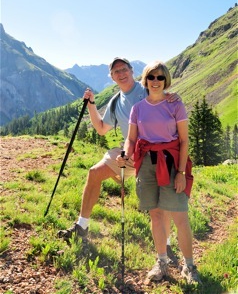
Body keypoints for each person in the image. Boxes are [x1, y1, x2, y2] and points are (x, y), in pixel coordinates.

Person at [58, 57, 180, 265]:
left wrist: (171, 96)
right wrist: (92, 105)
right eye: (116, 72)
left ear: (132, 71)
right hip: (129, 152)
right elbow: (102, 129)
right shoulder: (115, 101)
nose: (121, 73)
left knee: (159, 203)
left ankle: (166, 245)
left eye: (124, 69)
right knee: (94, 173)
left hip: (156, 154)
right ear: (112, 77)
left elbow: (164, 98)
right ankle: (82, 227)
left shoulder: (145, 90)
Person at [116, 60, 200, 284]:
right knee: (156, 214)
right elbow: (132, 138)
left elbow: (184, 140)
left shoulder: (175, 105)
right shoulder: (138, 108)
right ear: (145, 80)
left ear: (166, 80)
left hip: (171, 165)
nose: (155, 81)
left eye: (160, 77)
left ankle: (189, 266)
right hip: (146, 166)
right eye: (151, 77)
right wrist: (125, 154)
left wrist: (181, 172)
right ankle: (161, 262)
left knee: (180, 216)